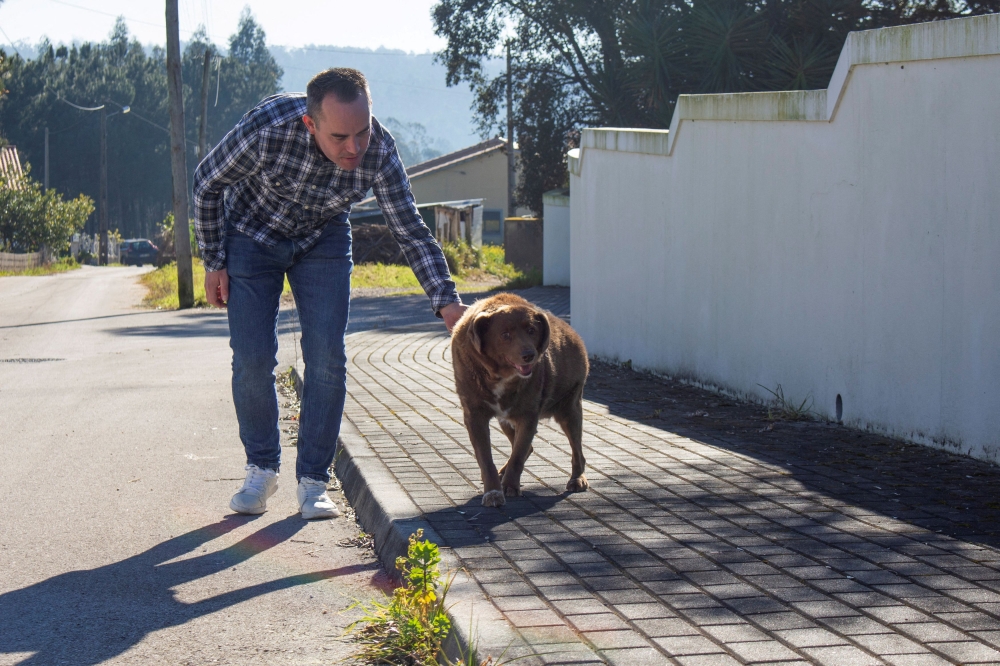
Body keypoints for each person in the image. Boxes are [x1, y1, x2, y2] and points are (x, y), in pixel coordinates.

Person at [193, 68, 466, 519]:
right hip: (251, 236)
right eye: (340, 136)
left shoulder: (379, 151)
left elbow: (411, 231)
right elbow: (207, 181)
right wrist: (214, 259)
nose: (354, 147)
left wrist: (446, 300)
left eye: (362, 132)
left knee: (327, 357)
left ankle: (314, 481)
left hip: (323, 238)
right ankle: (261, 469)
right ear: (310, 124)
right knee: (253, 357)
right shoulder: (270, 131)